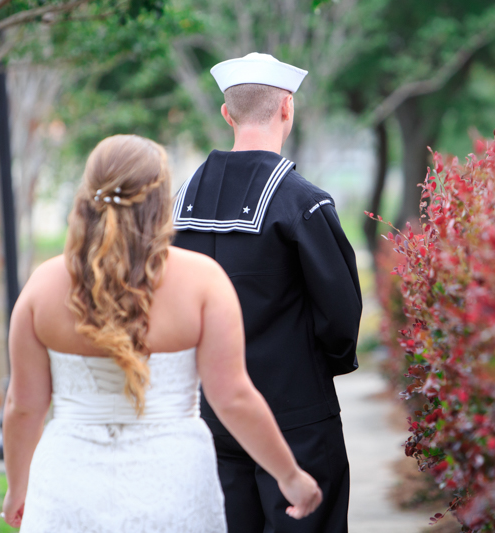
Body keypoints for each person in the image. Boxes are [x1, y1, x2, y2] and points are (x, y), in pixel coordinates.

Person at [0, 134, 322, 531]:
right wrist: (289, 476)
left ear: (86, 196)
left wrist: (18, 489)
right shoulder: (203, 281)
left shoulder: (42, 287)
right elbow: (233, 398)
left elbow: (23, 406)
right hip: (172, 485)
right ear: (160, 200)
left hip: (69, 487)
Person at [173, 53, 363, 532]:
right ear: (287, 108)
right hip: (294, 414)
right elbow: (340, 315)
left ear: (226, 113)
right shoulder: (302, 201)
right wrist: (323, 370)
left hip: (209, 415)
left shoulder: (179, 201)